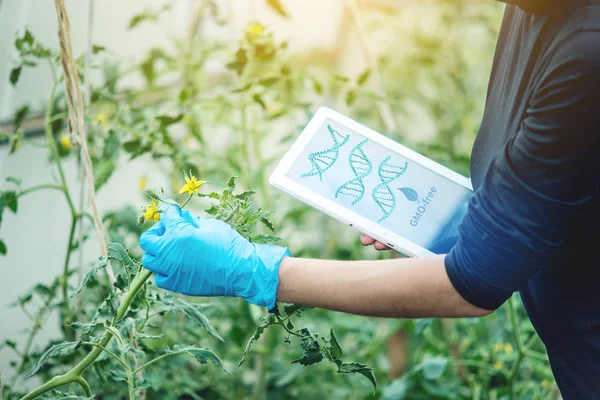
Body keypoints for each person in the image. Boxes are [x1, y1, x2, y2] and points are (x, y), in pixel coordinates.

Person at [139, 0, 600, 398]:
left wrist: (256, 270)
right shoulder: (538, 12)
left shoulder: (585, 51)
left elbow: (473, 284)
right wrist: (476, 219)